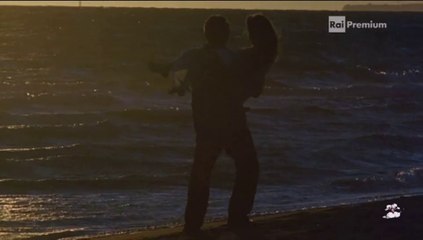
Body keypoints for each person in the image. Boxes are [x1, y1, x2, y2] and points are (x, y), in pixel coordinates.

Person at [149, 14, 277, 239]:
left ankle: (193, 224)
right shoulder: (235, 58)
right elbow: (252, 87)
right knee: (247, 168)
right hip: (233, 121)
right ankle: (237, 217)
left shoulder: (194, 56)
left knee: (203, 172)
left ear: (205, 33)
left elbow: (175, 73)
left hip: (207, 123)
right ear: (227, 35)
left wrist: (175, 79)